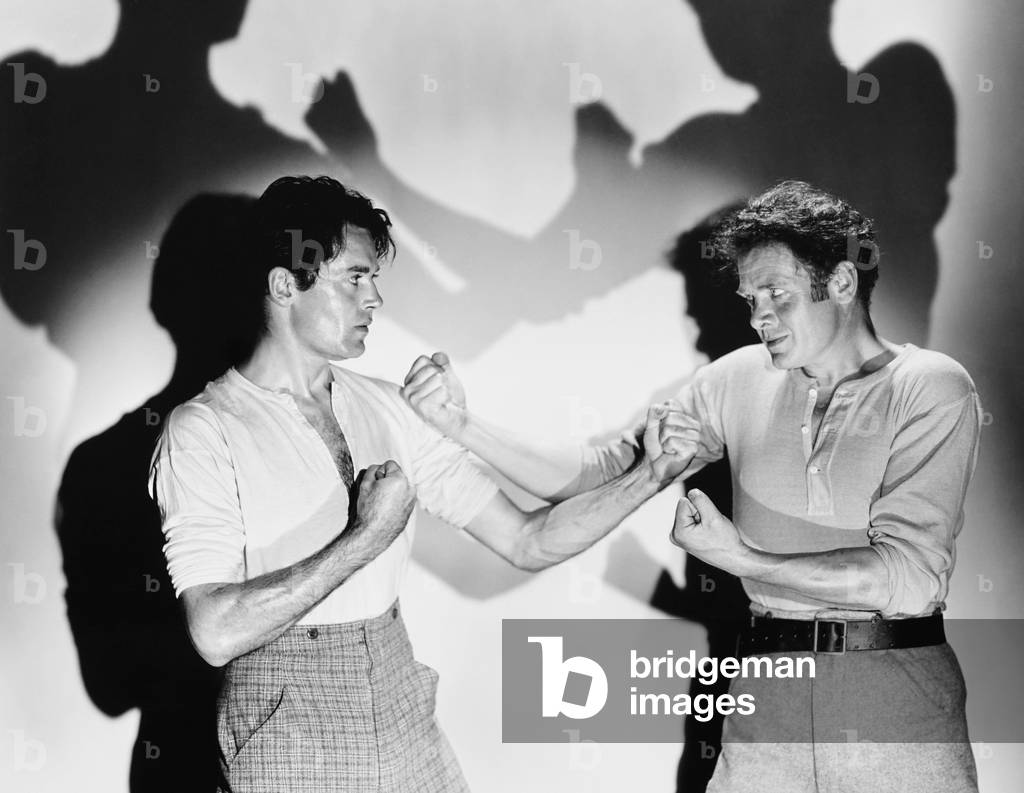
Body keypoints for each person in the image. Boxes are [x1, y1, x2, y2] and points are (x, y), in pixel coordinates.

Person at [403, 181, 982, 792]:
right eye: (749, 299)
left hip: (895, 693)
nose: (758, 317)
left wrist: (742, 559)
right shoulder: (734, 380)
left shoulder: (932, 386)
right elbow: (601, 472)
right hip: (765, 693)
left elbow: (909, 576)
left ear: (841, 282)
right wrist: (460, 426)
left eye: (775, 295)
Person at [147, 175, 694, 793]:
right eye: (355, 277)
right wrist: (366, 536)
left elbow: (527, 541)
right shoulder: (204, 429)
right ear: (283, 285)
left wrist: (649, 478)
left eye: (374, 280)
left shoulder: (388, 407)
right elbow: (214, 633)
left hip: (399, 693)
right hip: (285, 722)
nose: (374, 298)